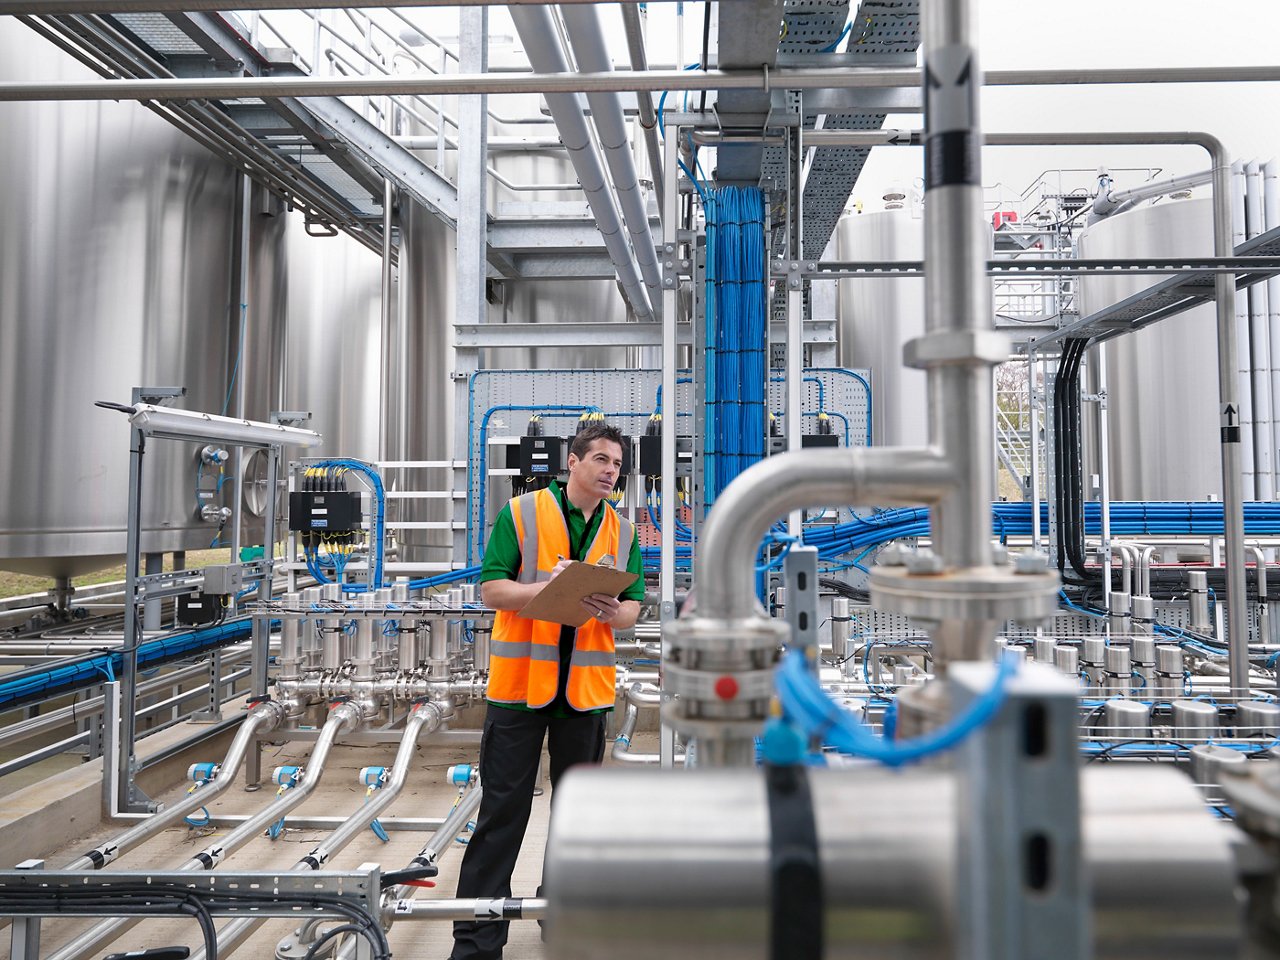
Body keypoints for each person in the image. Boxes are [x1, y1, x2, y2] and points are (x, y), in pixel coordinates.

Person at [449, 422, 644, 960]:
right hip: (520, 691)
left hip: (583, 694)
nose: (611, 470)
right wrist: (545, 590)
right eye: (601, 459)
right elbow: (492, 587)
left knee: (575, 817)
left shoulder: (623, 531)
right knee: (502, 815)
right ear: (573, 463)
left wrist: (614, 609)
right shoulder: (522, 513)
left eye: (618, 464)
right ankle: (477, 944)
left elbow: (632, 606)